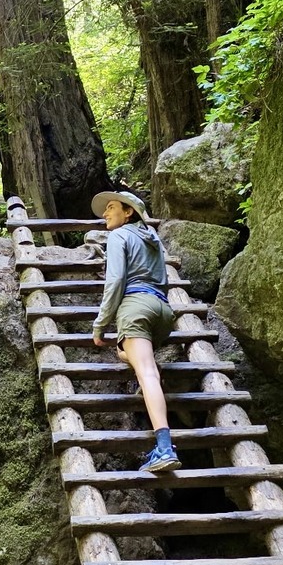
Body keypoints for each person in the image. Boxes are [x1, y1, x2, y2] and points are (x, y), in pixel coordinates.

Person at [88, 190, 180, 473]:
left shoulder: (119, 236)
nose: (105, 213)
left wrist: (100, 323)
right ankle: (147, 376)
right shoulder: (153, 239)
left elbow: (115, 281)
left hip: (135, 307)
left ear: (128, 212)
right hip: (162, 312)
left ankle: (164, 447)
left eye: (111, 207)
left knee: (147, 372)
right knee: (128, 354)